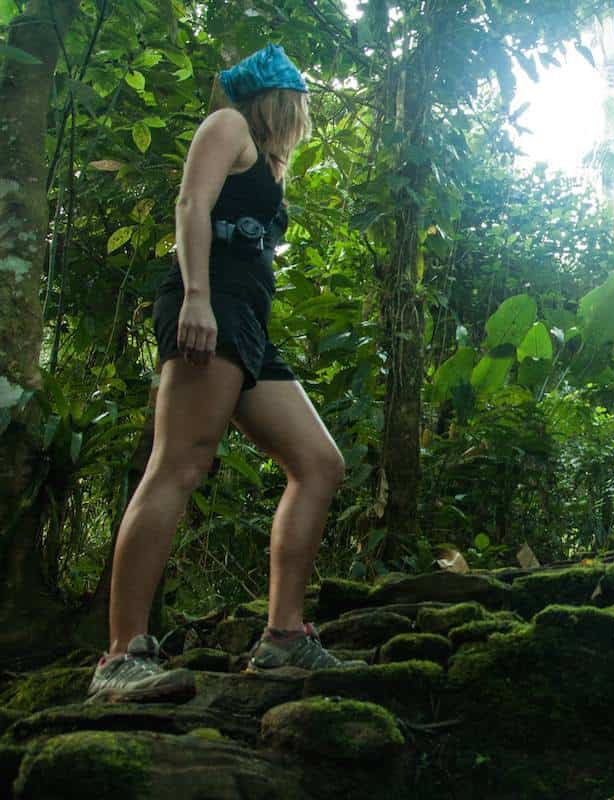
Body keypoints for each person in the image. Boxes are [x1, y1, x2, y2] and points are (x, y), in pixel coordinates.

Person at [87, 44, 364, 704]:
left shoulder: (265, 159)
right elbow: (191, 205)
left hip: (249, 328)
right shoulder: (228, 126)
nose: (304, 117)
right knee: (178, 465)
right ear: (279, 99)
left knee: (319, 463)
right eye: (300, 104)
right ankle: (120, 658)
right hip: (207, 308)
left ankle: (283, 640)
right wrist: (197, 296)